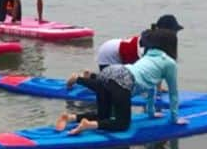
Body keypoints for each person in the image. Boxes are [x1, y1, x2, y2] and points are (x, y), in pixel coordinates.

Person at [56, 28, 186, 135]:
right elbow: (173, 94)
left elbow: (151, 86)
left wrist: (151, 113)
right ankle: (88, 125)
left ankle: (70, 117)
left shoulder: (149, 54)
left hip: (110, 71)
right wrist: (174, 119)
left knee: (104, 115)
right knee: (122, 125)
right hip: (124, 79)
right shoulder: (170, 64)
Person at [95, 14, 184, 69]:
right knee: (109, 83)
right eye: (174, 31)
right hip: (108, 53)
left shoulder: (157, 41)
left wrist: (159, 88)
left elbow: (159, 67)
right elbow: (148, 69)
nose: (175, 34)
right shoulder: (148, 45)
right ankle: (86, 78)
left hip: (118, 50)